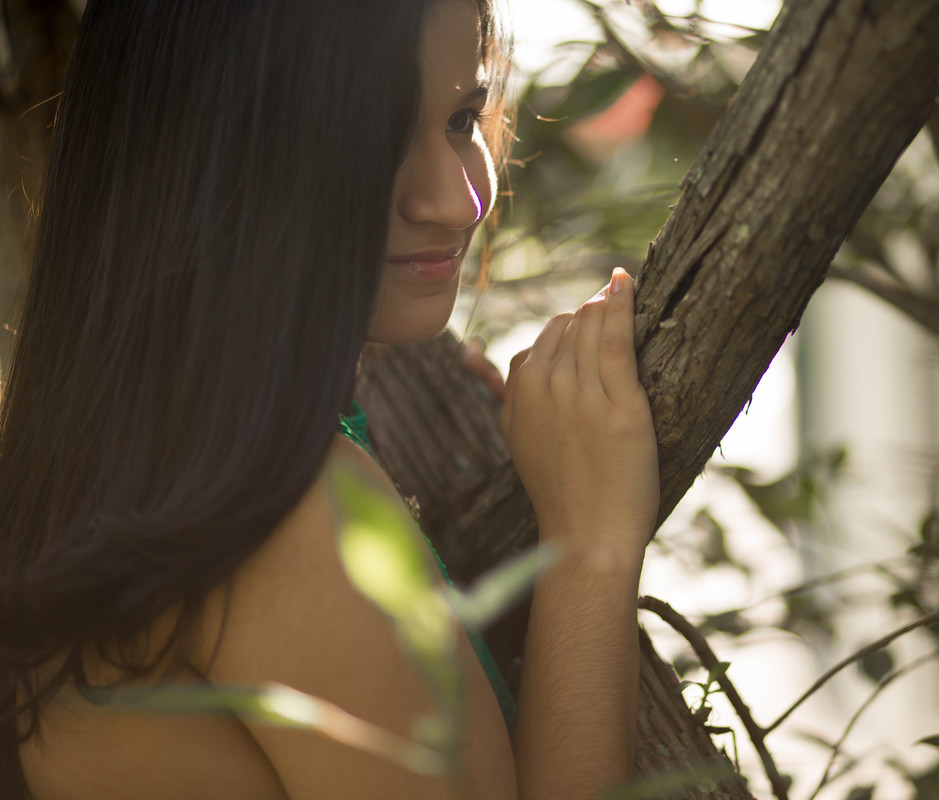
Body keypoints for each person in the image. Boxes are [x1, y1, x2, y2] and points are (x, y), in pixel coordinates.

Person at [0, 0, 660, 798]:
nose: (460, 202)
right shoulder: (280, 508)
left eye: (462, 116)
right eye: (371, 139)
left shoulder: (118, 442)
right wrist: (590, 546)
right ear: (213, 147)